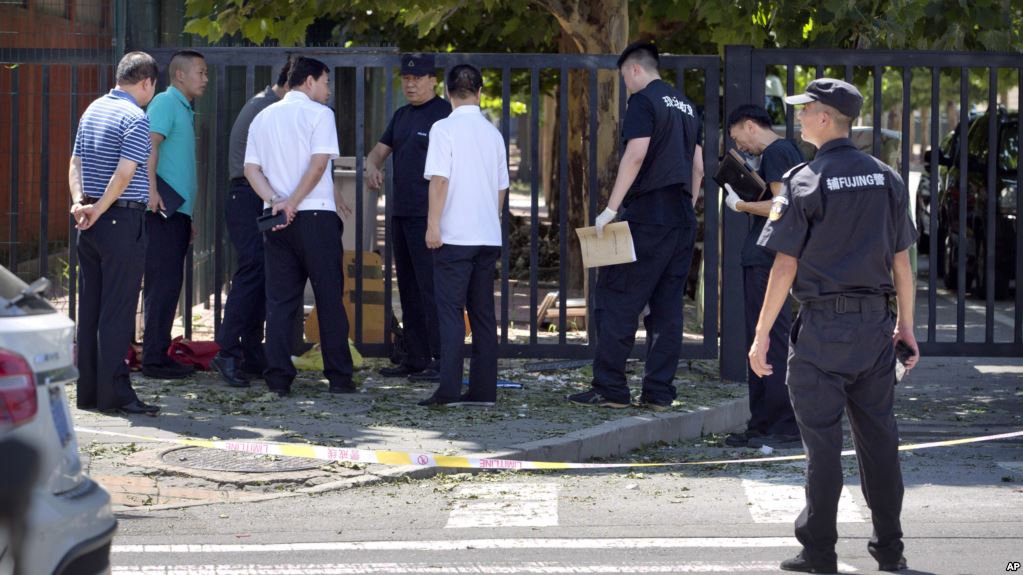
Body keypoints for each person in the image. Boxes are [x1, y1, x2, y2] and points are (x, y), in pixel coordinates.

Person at [749, 78, 918, 574]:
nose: (799, 119)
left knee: (822, 447)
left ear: (826, 118)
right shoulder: (886, 178)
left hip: (822, 331)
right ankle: (891, 551)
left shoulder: (804, 181)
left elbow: (783, 268)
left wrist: (761, 337)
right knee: (880, 443)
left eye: (805, 111)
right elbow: (903, 265)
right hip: (874, 330)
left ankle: (819, 552)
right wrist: (906, 328)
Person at [567, 41, 703, 411]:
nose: (626, 83)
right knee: (668, 308)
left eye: (625, 76)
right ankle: (659, 392)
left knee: (617, 298)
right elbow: (698, 168)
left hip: (647, 216)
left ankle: (610, 387)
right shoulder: (688, 106)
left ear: (635, 70)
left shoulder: (643, 101)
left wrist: (611, 209)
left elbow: (636, 154)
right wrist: (684, 209)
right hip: (681, 219)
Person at [243, 56, 355, 397]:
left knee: (280, 301)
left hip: (277, 220)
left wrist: (277, 200)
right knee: (329, 298)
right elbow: (319, 164)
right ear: (309, 82)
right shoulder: (320, 115)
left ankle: (277, 377)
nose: (328, 91)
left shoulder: (263, 116)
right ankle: (338, 377)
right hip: (315, 216)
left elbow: (251, 169)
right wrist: (294, 201)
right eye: (326, 82)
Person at [69, 51, 160, 415]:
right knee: (118, 310)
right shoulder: (136, 117)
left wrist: (80, 204)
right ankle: (116, 393)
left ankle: (88, 392)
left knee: (90, 308)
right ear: (146, 83)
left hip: (88, 221)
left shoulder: (92, 110)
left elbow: (75, 160)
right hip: (120, 220)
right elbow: (125, 174)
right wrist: (100, 208)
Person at [419, 63, 508, 407]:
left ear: (447, 92)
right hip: (487, 236)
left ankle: (449, 389)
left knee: (451, 312)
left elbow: (439, 180)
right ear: (480, 91)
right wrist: (491, 217)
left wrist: (433, 224)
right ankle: (485, 391)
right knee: (484, 315)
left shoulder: (443, 128)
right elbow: (502, 187)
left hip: (454, 236)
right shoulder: (493, 134)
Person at [723, 104, 805, 449]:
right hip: (768, 258)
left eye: (737, 136)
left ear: (750, 125)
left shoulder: (775, 152)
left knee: (767, 340)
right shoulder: (786, 152)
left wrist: (740, 206)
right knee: (765, 339)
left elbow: (779, 207)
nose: (739, 144)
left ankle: (780, 423)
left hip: (766, 259)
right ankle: (763, 423)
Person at [366, 53, 451, 382]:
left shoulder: (445, 115)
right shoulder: (401, 116)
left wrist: (437, 218)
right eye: (406, 78)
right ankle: (415, 357)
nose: (411, 83)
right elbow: (378, 151)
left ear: (433, 80)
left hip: (430, 216)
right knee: (409, 289)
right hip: (400, 215)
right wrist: (372, 166)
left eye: (418, 78)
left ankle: (442, 358)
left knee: (433, 289)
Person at [211, 60, 292, 388]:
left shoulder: (266, 104)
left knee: (260, 271)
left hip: (251, 196)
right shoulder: (266, 109)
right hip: (247, 196)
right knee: (253, 269)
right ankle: (227, 351)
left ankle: (250, 351)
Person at [141, 49, 208, 379]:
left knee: (169, 284)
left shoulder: (183, 108)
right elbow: (149, 145)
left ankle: (158, 353)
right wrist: (151, 190)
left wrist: (187, 216)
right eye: (201, 72)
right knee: (162, 284)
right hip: (161, 211)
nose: (205, 78)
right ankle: (153, 359)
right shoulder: (167, 103)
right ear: (180, 75)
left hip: (176, 213)